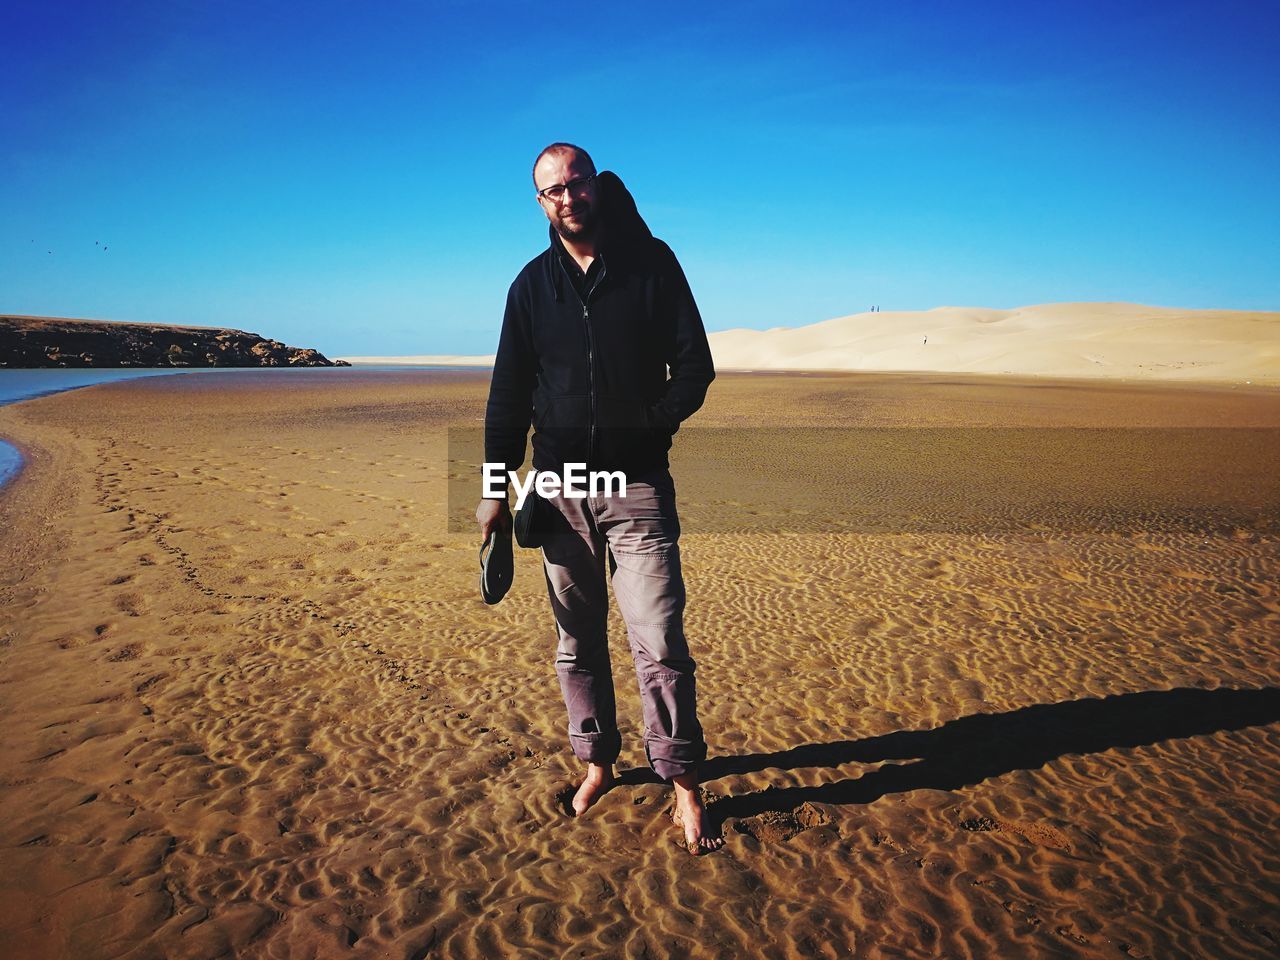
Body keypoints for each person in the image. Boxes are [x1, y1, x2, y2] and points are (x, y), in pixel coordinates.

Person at [476, 143, 722, 853]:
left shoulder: (652, 263)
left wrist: (645, 427)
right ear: (541, 203)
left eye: (575, 183)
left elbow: (695, 366)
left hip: (636, 487)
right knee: (576, 644)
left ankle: (683, 783)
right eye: (551, 191)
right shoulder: (530, 286)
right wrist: (495, 490)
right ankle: (596, 763)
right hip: (557, 492)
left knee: (660, 642)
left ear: (596, 185)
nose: (567, 198)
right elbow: (507, 398)